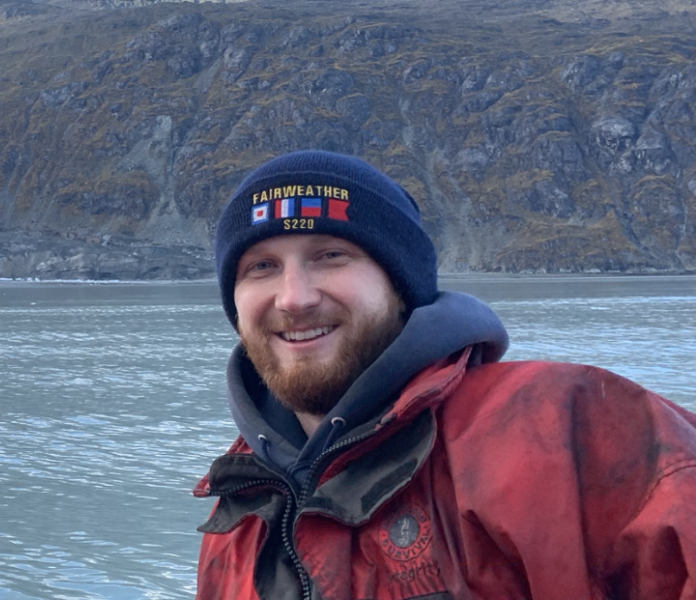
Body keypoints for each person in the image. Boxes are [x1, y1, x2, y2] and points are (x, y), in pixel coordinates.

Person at [193, 150, 696, 600]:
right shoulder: (235, 520)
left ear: (401, 283)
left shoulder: (575, 427)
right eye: (261, 266)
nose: (294, 297)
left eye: (331, 256)